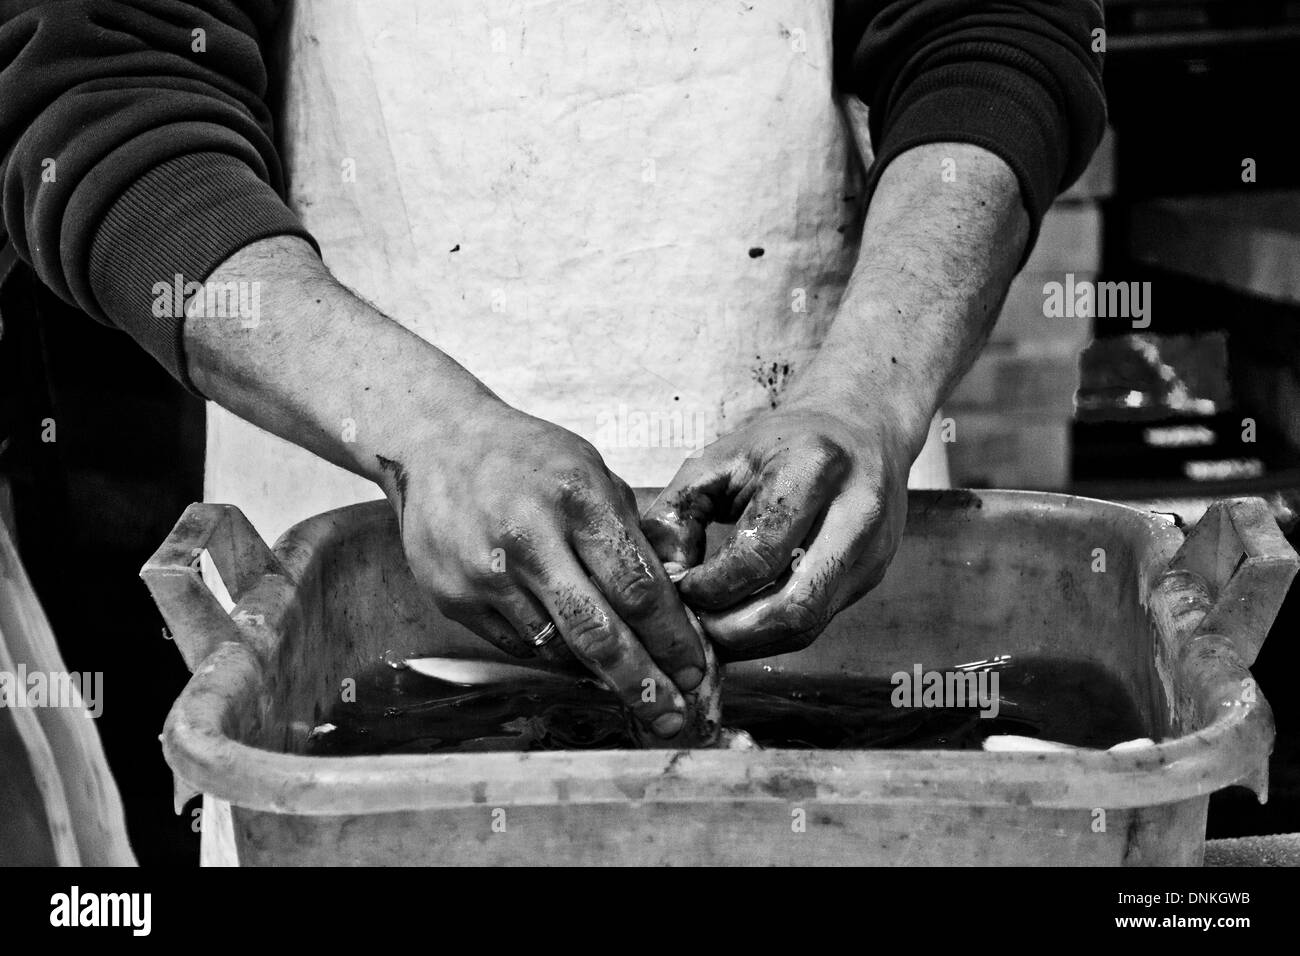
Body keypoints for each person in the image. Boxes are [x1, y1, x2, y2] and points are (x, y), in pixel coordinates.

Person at [0, 0, 1105, 745]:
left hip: (817, 516)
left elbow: (990, 30)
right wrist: (429, 435)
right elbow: (100, 82)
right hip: (350, 516)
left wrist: (870, 390)